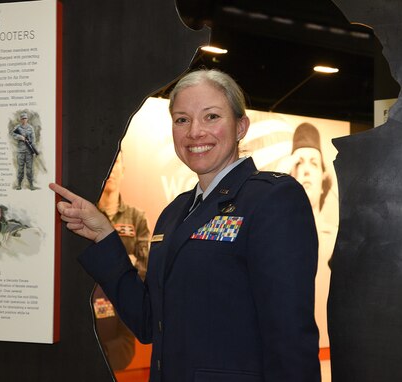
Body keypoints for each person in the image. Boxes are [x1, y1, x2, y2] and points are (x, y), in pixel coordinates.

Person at [50, 69, 320, 381]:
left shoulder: (272, 199)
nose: (195, 132)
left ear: (240, 127)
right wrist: (105, 235)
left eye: (211, 117)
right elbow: (149, 321)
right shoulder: (174, 213)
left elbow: (290, 335)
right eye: (182, 119)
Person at [278, 122, 338, 348]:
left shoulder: (335, 240)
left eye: (313, 163)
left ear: (323, 177)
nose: (305, 171)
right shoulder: (274, 238)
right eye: (298, 163)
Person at [93, 151, 151, 371]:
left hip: (124, 309)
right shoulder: (85, 216)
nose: (111, 169)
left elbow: (145, 269)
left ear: (123, 170)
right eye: (107, 161)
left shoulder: (136, 217)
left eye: (116, 162)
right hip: (90, 310)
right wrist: (126, 262)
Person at [11, 112, 38, 190]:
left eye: (25, 118)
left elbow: (33, 140)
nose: (24, 120)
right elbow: (13, 134)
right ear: (20, 119)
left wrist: (33, 150)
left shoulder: (30, 128)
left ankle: (31, 185)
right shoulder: (18, 127)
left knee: (29, 169)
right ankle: (19, 184)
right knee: (20, 169)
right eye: (22, 118)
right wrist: (20, 137)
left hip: (29, 151)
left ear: (27, 119)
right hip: (20, 151)